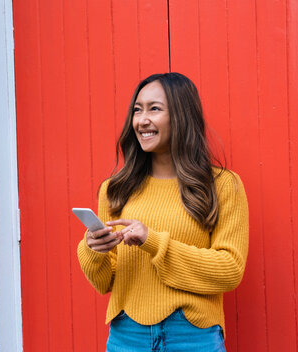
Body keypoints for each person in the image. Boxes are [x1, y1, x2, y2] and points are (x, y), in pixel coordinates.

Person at [77, 73, 249, 352]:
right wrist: (92, 249)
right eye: (137, 110)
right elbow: (103, 282)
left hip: (193, 335)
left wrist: (153, 241)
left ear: (182, 115)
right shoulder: (115, 189)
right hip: (127, 335)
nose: (141, 120)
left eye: (154, 109)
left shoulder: (222, 185)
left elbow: (230, 270)